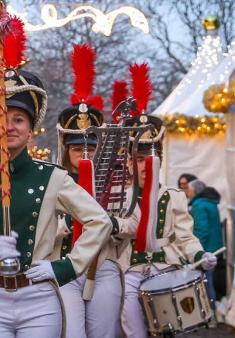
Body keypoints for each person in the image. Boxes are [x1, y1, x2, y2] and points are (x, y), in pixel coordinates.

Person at [0, 67, 112, 338]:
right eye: (2, 119)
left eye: (18, 119)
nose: (9, 127)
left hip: (39, 299)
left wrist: (64, 266)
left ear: (31, 129)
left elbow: (98, 221)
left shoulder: (53, 177)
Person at [53, 43, 138, 338]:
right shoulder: (53, 179)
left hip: (103, 266)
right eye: (78, 148)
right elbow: (37, 225)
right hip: (63, 265)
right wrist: (63, 225)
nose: (84, 153)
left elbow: (134, 224)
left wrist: (108, 223)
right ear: (67, 150)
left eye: (91, 146)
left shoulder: (117, 179)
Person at [120, 114, 217, 338]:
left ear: (161, 162)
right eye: (139, 159)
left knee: (168, 331)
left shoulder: (174, 196)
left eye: (151, 159)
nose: (145, 166)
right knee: (133, 331)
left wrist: (200, 255)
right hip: (129, 271)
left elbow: (185, 238)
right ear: (129, 162)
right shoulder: (119, 198)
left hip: (166, 268)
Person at [187, 179, 224, 303]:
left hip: (205, 248)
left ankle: (209, 311)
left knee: (205, 281)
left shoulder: (199, 205)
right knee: (209, 280)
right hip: (214, 247)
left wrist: (197, 251)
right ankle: (212, 311)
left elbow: (201, 230)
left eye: (189, 189)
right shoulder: (210, 203)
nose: (187, 192)